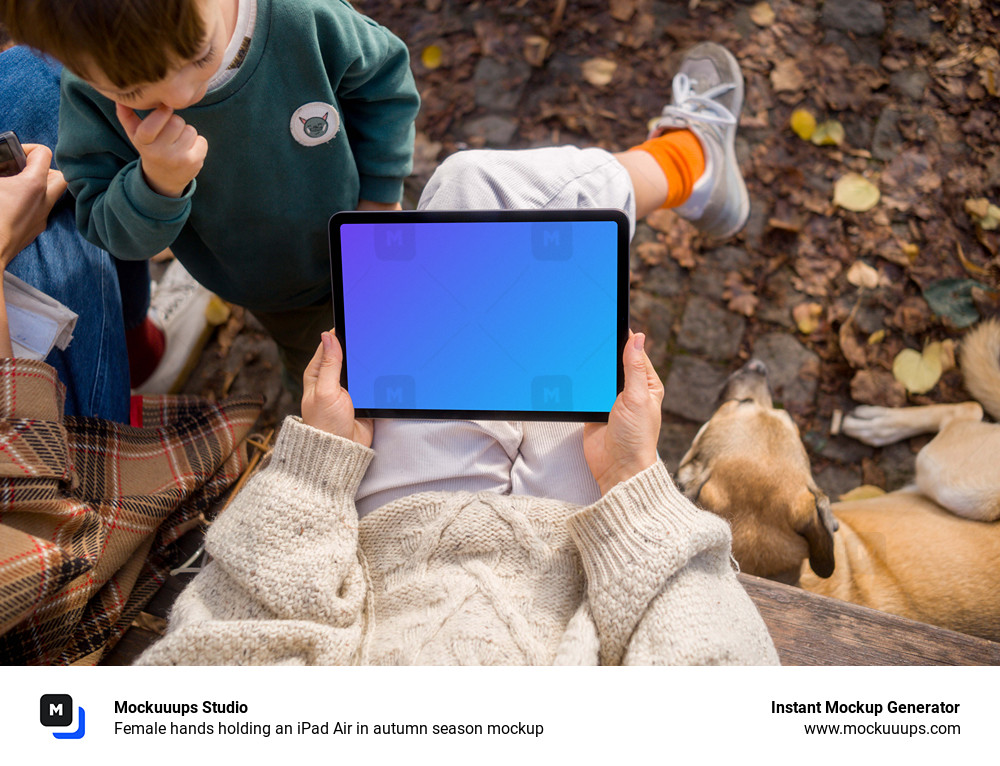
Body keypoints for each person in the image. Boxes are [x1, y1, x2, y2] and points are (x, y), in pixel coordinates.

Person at [134, 43, 779, 666]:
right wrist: (631, 479)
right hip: (581, 550)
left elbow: (230, 639)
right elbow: (715, 664)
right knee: (488, 191)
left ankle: (688, 167)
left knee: (470, 190)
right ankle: (688, 162)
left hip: (399, 544)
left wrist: (315, 472)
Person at [0, 0, 421, 398]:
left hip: (366, 236)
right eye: (133, 91)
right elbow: (110, 232)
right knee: (329, 379)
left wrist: (381, 200)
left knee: (409, 333)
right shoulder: (90, 98)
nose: (183, 97)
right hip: (274, 293)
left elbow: (383, 82)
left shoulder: (301, 17)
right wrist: (157, 183)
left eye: (200, 56)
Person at [0, 121, 262, 665]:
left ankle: (140, 351)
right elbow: (32, 524)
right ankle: (140, 348)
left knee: (26, 121)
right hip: (52, 532)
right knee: (38, 115)